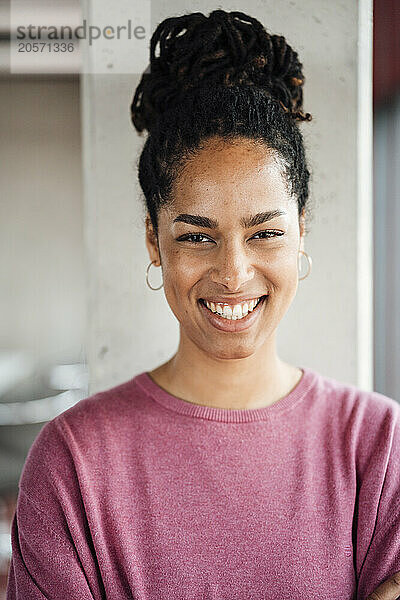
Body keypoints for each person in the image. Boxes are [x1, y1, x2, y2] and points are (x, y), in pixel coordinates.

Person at [6, 9, 400, 600]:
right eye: (196, 235)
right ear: (153, 240)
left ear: (302, 233)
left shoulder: (378, 445)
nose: (233, 272)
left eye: (265, 232)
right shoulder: (72, 466)